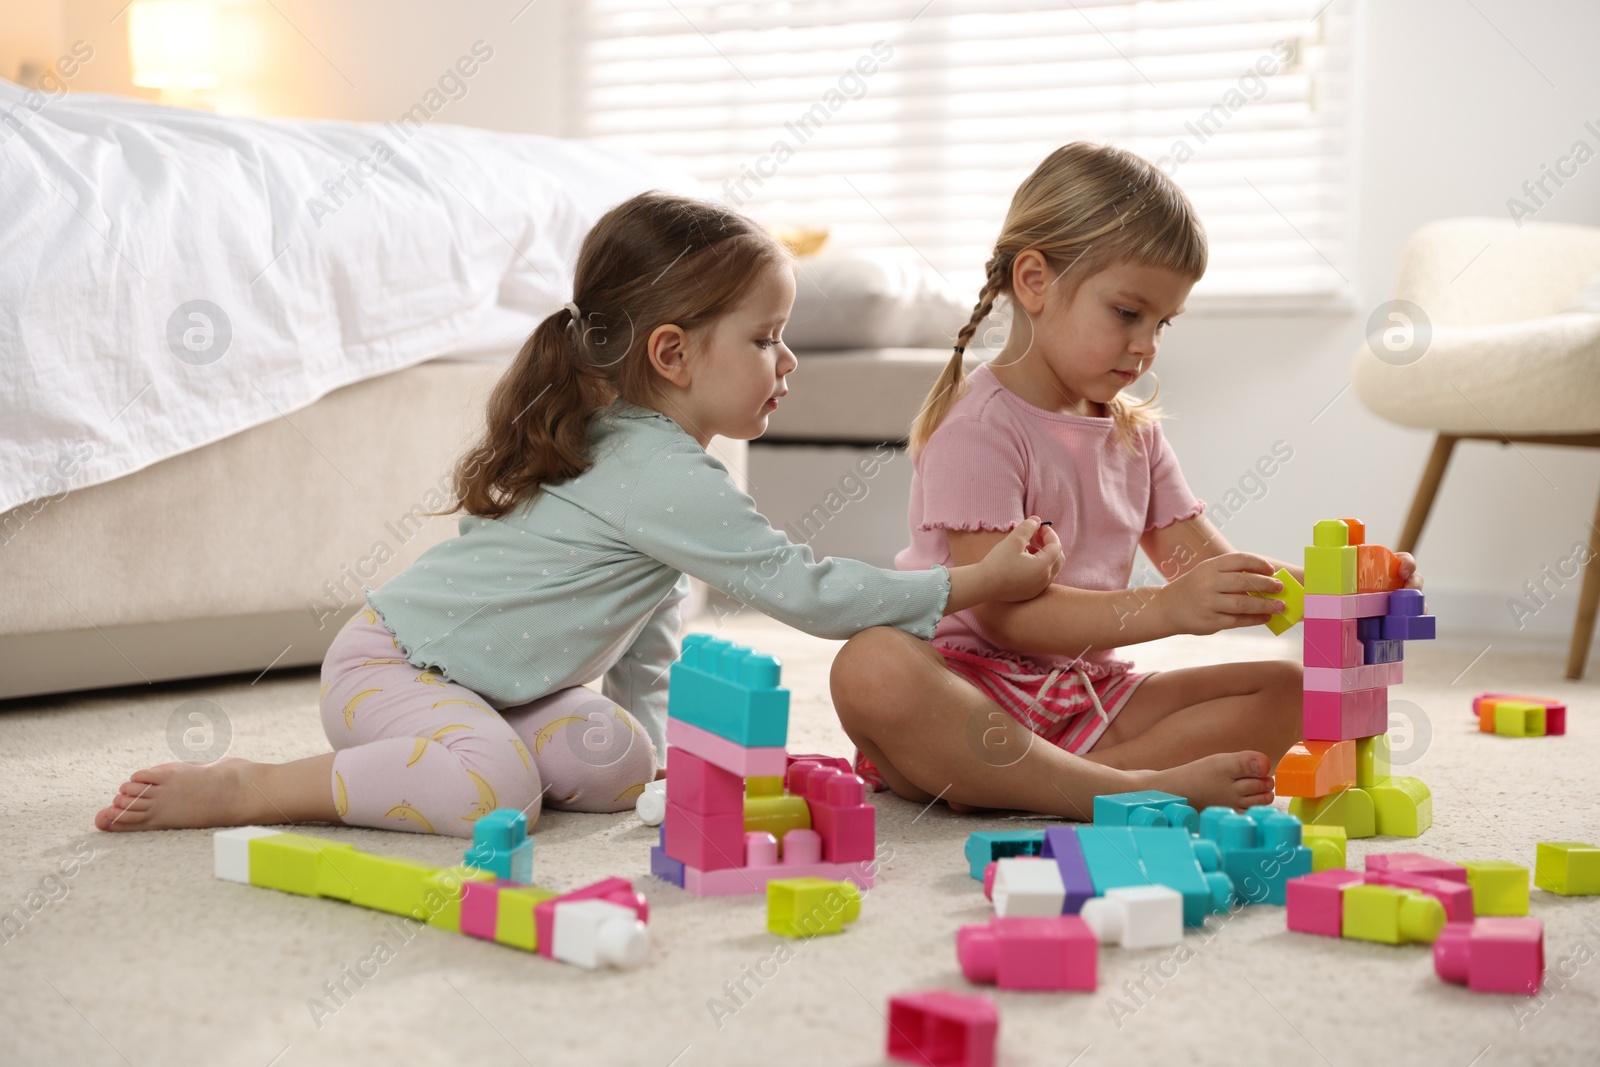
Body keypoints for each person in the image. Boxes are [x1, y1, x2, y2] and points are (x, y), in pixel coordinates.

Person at [95, 192, 1063, 838]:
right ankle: (257, 785)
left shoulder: (664, 460)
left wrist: (660, 772)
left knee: (614, 760)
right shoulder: (656, 470)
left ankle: (459, 751)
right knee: (498, 789)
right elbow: (805, 590)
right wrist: (971, 582)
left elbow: (648, 629)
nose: (788, 361)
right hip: (392, 666)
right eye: (766, 338)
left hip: (503, 691)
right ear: (674, 355)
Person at [830, 143, 1420, 818]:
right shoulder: (978, 427)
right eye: (1127, 313)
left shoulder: (1132, 433)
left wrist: (1342, 592)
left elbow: (1206, 565)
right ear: (1035, 281)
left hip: (1087, 693)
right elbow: (1002, 613)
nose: (1147, 345)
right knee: (872, 662)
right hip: (969, 692)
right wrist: (1165, 610)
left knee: (1290, 690)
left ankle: (1053, 783)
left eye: (1162, 322)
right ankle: (1112, 789)